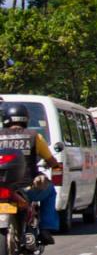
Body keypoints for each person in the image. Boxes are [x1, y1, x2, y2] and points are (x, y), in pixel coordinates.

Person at [0, 103, 62, 245]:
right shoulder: (35, 136)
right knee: (51, 191)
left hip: (3, 186)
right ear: (26, 119)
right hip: (27, 188)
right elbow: (50, 160)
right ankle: (46, 229)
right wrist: (55, 165)